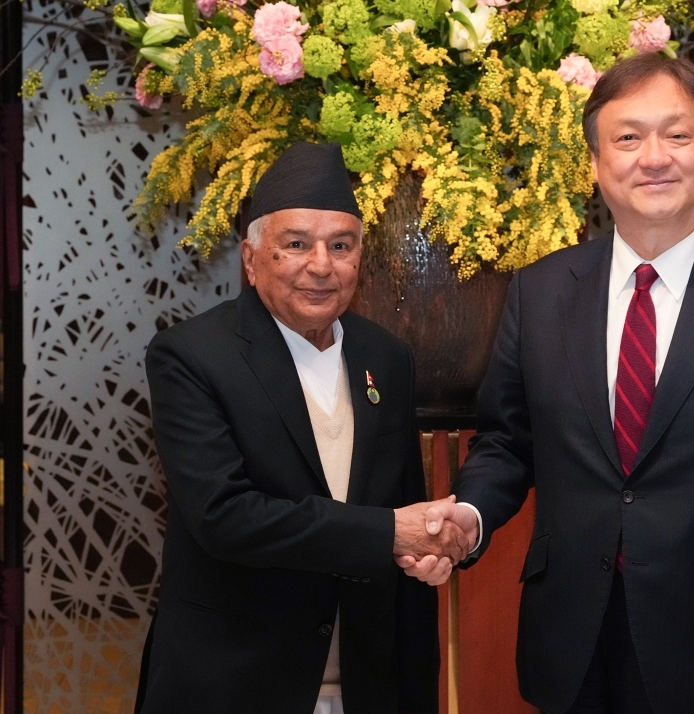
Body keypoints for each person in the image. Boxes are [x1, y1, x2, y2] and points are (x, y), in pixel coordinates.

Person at [399, 55, 694, 714]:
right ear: (596, 159)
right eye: (628, 137)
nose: (653, 157)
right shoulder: (541, 291)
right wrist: (467, 517)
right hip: (570, 642)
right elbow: (507, 442)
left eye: (677, 134)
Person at [135, 142, 468, 714]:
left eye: (341, 246)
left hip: (367, 680)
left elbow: (402, 507)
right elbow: (225, 517)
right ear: (251, 257)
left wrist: (425, 552)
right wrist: (390, 534)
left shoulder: (385, 357)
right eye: (296, 245)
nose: (321, 265)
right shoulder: (191, 356)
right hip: (236, 681)